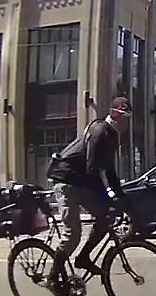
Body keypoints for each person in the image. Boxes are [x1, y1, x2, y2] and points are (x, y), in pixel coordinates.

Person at [45, 97, 131, 276]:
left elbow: (109, 169)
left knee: (106, 217)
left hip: (81, 181)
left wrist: (122, 198)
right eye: (124, 116)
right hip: (66, 179)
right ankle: (53, 277)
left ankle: (83, 258)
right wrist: (107, 196)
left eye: (128, 117)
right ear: (115, 114)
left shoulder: (113, 136)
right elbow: (92, 169)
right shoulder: (99, 131)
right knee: (73, 234)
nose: (126, 121)